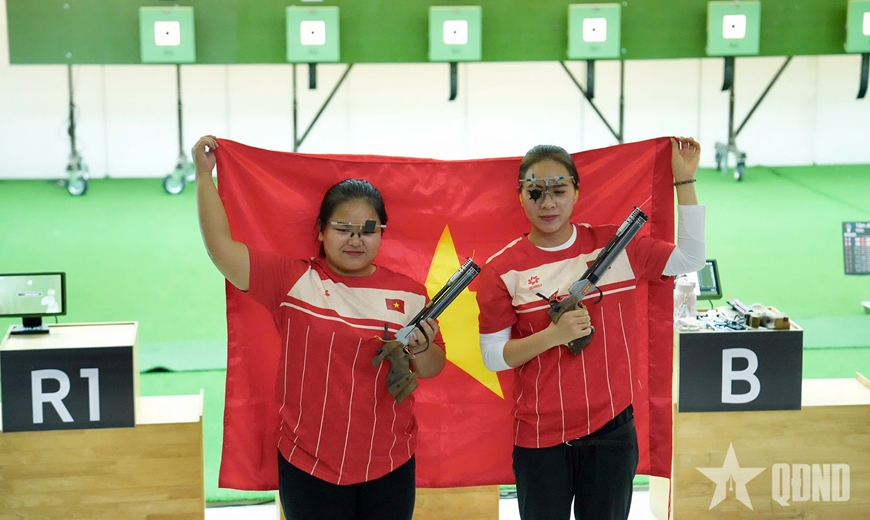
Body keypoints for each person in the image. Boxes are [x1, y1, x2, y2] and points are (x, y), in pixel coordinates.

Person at [192, 135, 446, 520]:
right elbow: (220, 248)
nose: (355, 240)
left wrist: (423, 348)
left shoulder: (409, 293)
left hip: (390, 462)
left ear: (382, 233)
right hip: (308, 464)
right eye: (343, 228)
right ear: (321, 231)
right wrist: (202, 175)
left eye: (368, 229)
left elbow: (431, 368)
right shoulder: (291, 280)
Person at [476, 137, 705, 520]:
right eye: (535, 193)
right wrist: (554, 335)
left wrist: (684, 180)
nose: (548, 203)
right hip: (541, 434)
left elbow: (691, 258)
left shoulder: (616, 246)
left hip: (612, 428)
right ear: (520, 197)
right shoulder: (502, 270)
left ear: (576, 191)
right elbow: (493, 356)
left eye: (559, 190)